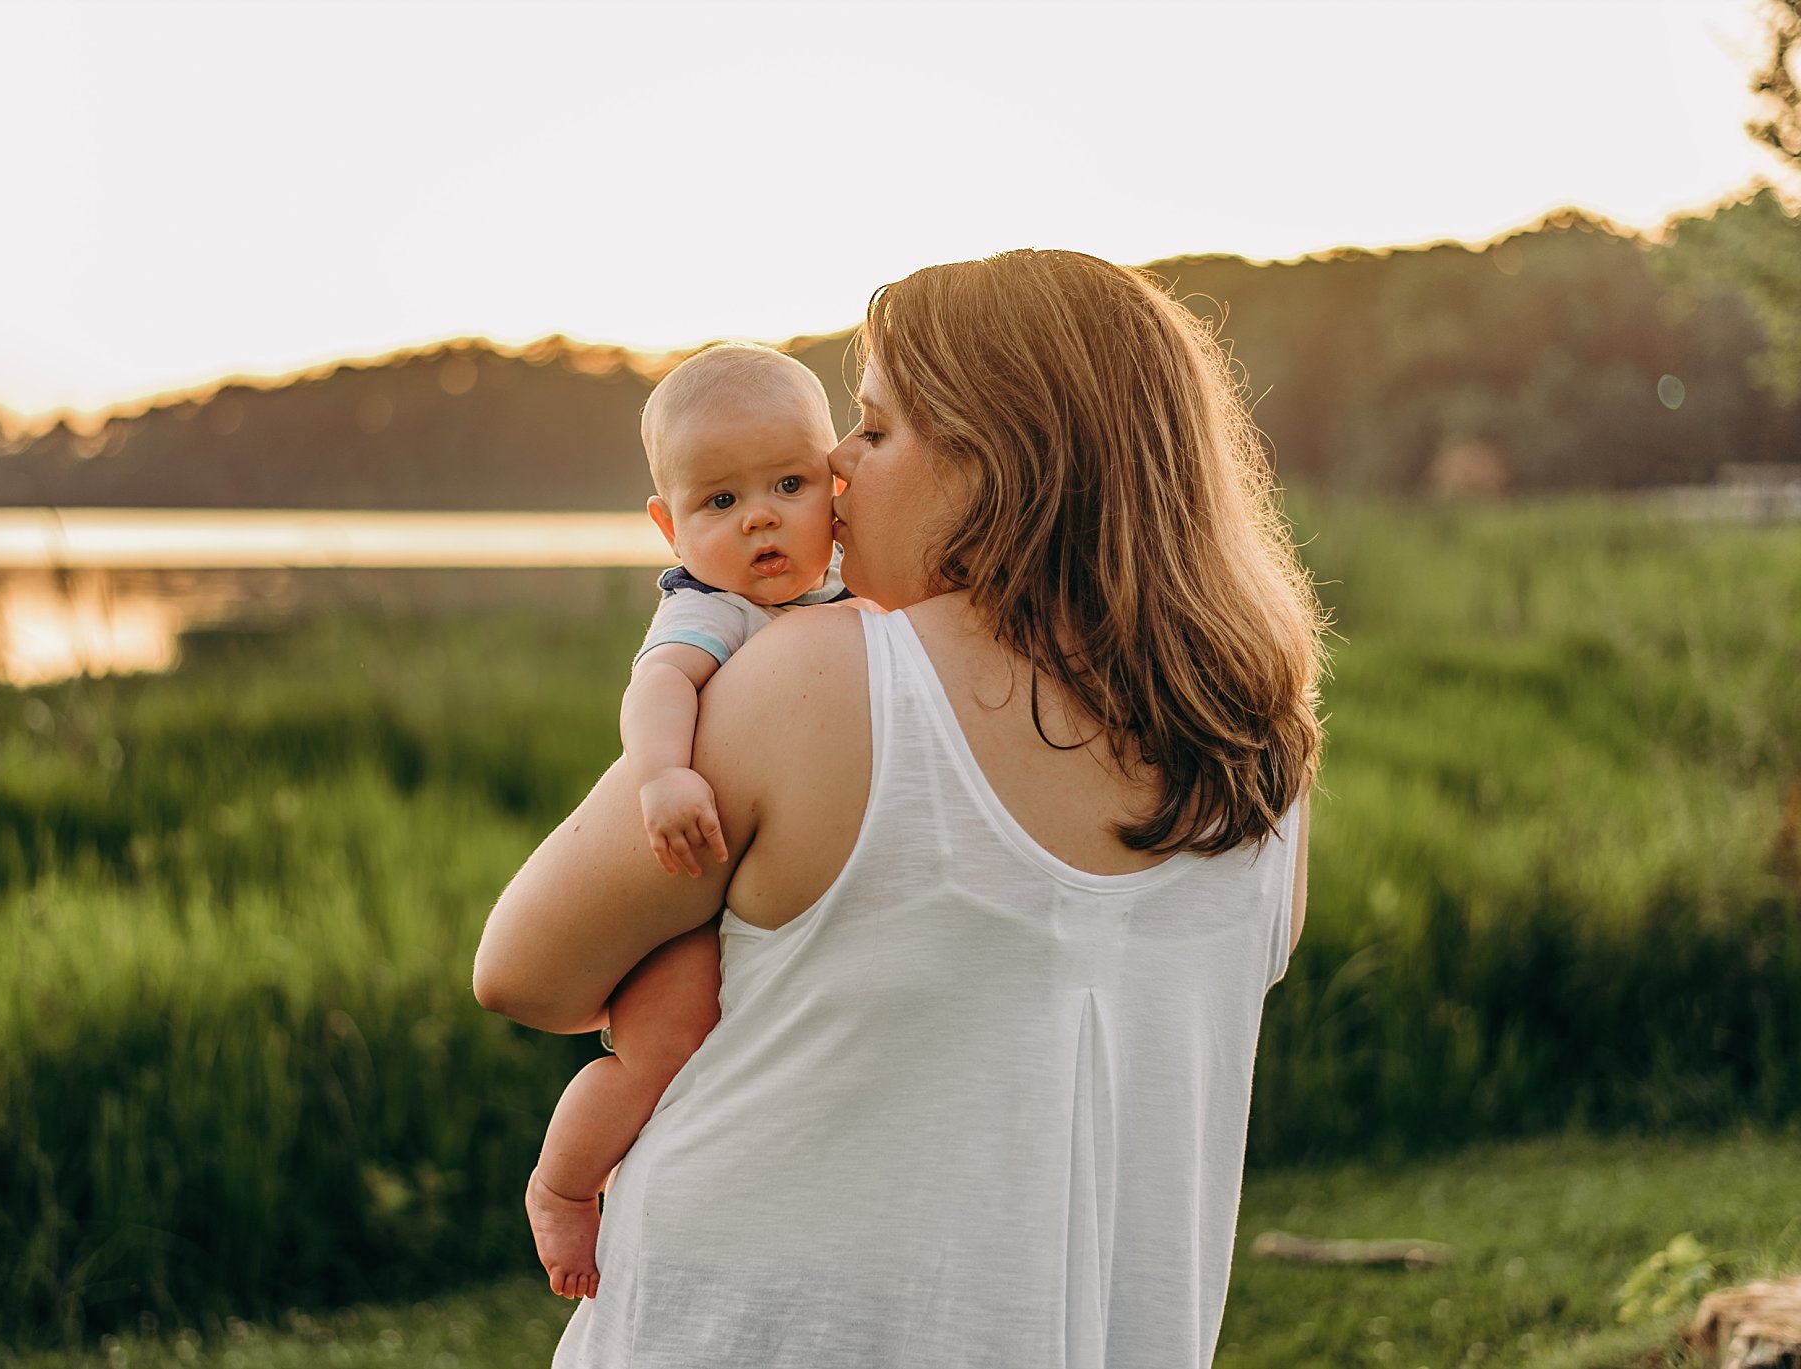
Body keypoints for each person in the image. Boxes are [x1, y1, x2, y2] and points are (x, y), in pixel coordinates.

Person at [475, 249, 1324, 1367]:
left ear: (992, 462)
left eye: (873, 429)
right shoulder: (1260, 749)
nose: (830, 459)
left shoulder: (819, 675)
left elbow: (521, 967)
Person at [525, 342, 852, 1300]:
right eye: (719, 502)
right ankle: (563, 1185)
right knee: (659, 1045)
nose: (759, 515)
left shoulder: (843, 589)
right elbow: (657, 686)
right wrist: (663, 775)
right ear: (670, 527)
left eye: (789, 483)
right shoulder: (714, 612)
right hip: (690, 886)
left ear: (835, 483)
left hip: (771, 884)